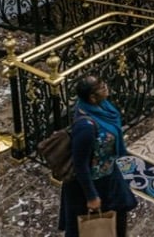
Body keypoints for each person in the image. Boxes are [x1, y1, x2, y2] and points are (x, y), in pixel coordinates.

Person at [58, 75, 137, 237]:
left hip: (108, 174)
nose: (106, 87)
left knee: (119, 217)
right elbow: (80, 164)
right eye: (101, 88)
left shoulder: (104, 108)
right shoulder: (86, 127)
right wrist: (92, 196)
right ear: (92, 98)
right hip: (91, 184)